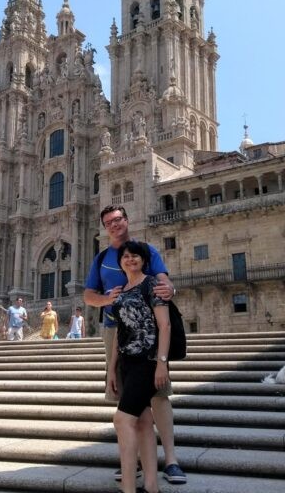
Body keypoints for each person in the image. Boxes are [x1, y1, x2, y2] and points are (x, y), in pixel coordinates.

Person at [84, 204, 186, 485]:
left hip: (149, 335)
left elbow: (163, 281)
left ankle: (171, 460)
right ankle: (134, 460)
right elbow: (89, 295)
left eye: (118, 220)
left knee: (159, 394)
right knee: (127, 396)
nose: (114, 225)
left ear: (126, 220)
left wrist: (171, 289)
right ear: (105, 227)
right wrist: (107, 300)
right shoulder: (102, 258)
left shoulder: (146, 250)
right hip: (115, 331)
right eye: (109, 222)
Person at [107, 241, 170, 493]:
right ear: (120, 262)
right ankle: (152, 486)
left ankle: (129, 488)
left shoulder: (152, 284)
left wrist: (161, 364)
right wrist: (112, 369)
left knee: (122, 420)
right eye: (125, 256)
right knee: (143, 421)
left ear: (144, 260)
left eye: (135, 256)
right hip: (127, 363)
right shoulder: (120, 292)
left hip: (147, 361)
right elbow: (119, 332)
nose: (130, 259)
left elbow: (164, 326)